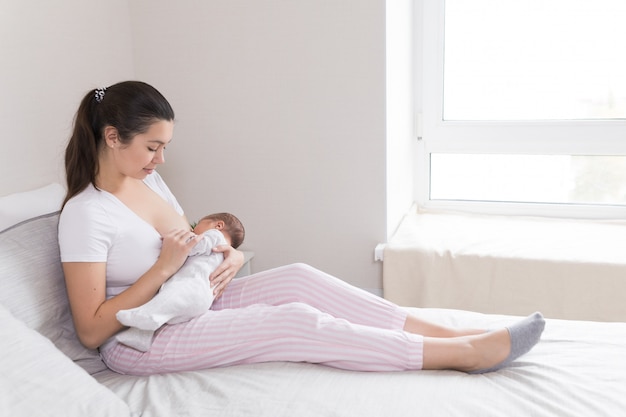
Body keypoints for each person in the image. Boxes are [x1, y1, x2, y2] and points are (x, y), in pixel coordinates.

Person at [58, 81, 545, 377]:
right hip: (140, 339)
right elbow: (91, 330)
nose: (161, 159)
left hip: (187, 297)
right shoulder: (85, 213)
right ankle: (463, 353)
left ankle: (448, 330)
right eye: (151, 147)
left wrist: (226, 255)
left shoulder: (151, 181)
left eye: (165, 146)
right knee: (291, 319)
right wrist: (162, 270)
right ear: (112, 136)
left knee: (299, 278)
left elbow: (190, 245)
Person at [115, 212, 245, 352]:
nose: (193, 230)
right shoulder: (223, 256)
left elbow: (194, 246)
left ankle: (142, 315)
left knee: (161, 305)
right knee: (163, 312)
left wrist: (173, 241)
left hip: (189, 289)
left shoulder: (215, 236)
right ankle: (139, 337)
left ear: (218, 225)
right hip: (201, 299)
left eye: (199, 224)